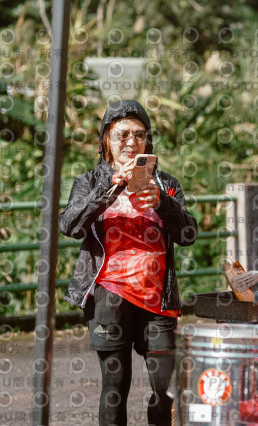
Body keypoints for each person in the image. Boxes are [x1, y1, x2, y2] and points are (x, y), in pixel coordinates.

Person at [59, 100, 198, 426]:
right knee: (115, 387)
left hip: (158, 302)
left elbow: (188, 234)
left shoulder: (166, 184)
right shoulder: (90, 181)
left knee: (166, 390)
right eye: (122, 135)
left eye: (139, 135)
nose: (131, 142)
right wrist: (111, 186)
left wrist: (162, 203)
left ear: (147, 141)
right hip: (109, 298)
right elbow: (70, 225)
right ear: (106, 140)